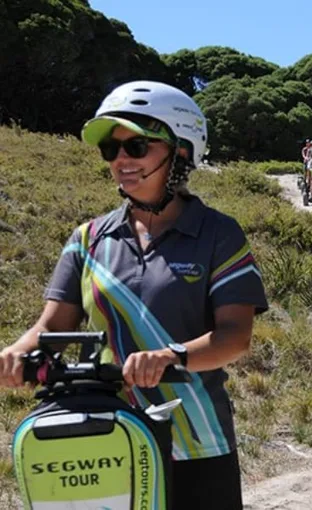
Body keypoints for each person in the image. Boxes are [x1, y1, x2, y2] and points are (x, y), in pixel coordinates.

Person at [0, 81, 268, 509]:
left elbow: (234, 336)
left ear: (180, 152)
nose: (121, 159)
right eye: (112, 149)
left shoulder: (218, 233)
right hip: (108, 437)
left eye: (137, 147)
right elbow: (52, 327)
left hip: (197, 441)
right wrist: (14, 354)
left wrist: (170, 356)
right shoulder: (87, 240)